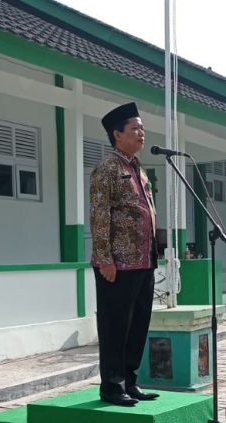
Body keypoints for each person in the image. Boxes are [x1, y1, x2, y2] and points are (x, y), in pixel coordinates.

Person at [90, 102, 159, 406]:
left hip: (143, 261)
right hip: (117, 263)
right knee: (115, 325)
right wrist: (105, 259)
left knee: (138, 323)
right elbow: (100, 215)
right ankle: (112, 386)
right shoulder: (108, 168)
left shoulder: (138, 170)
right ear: (117, 134)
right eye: (135, 128)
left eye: (142, 128)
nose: (141, 133)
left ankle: (130, 381)